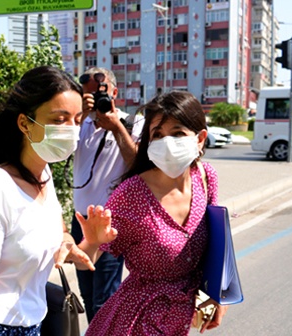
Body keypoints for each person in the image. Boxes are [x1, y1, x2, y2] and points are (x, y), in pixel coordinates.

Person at [0, 66, 116, 335]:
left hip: (33, 323)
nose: (71, 130)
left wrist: (88, 241)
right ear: (25, 123)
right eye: (59, 119)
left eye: (76, 119)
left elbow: (58, 237)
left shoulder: (43, 175)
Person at [80, 91, 228, 335]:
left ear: (200, 138)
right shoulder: (131, 194)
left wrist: (215, 297)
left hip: (180, 320)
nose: (167, 142)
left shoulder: (205, 177)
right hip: (136, 321)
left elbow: (214, 248)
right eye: (157, 135)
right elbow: (86, 259)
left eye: (178, 133)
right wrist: (93, 241)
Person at [69, 67, 144, 322]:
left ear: (114, 92)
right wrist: (80, 116)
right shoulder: (78, 123)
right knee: (88, 295)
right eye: (88, 95)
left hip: (111, 223)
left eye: (100, 93)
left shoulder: (133, 123)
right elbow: (59, 155)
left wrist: (115, 128)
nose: (96, 99)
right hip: (81, 222)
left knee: (105, 298)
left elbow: (137, 164)